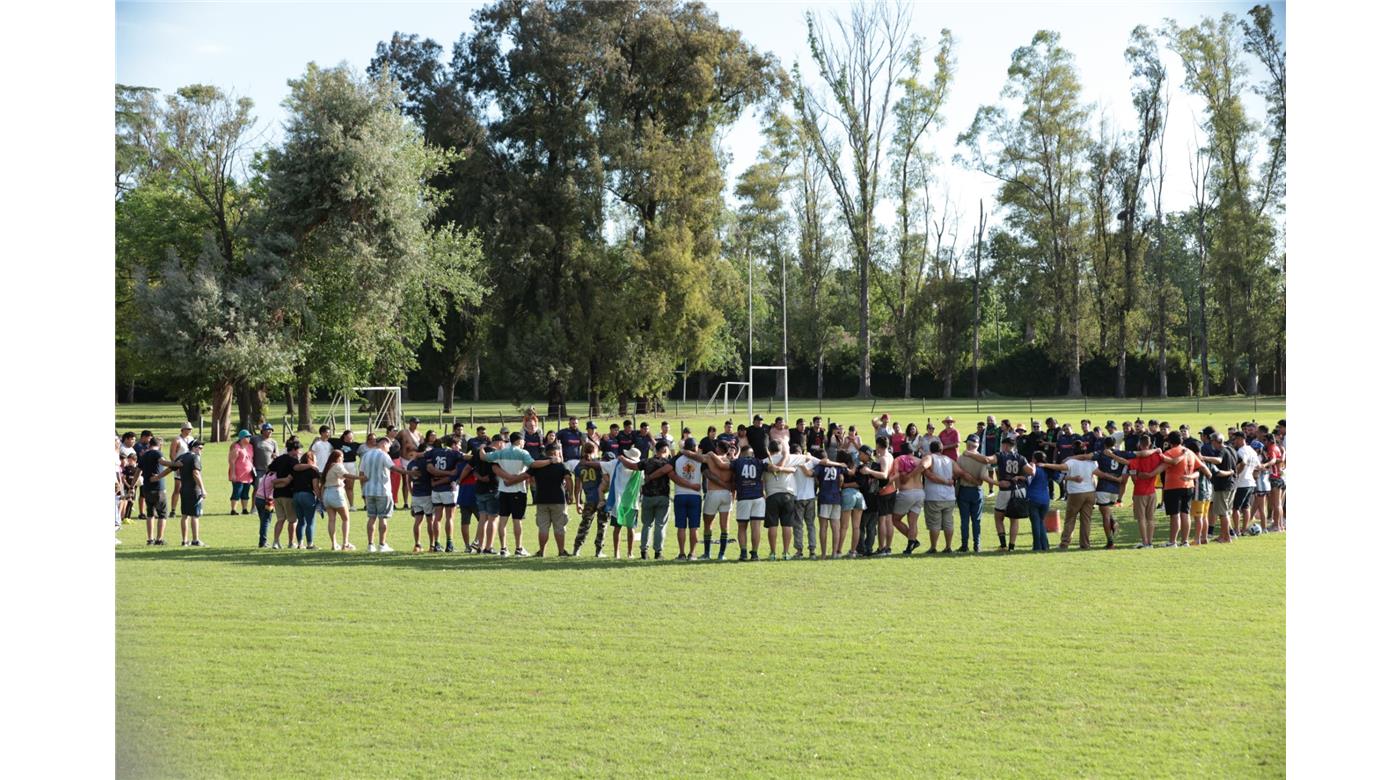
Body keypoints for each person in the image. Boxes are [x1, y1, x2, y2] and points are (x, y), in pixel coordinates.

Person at [501, 442, 575, 556]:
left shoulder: (538, 465)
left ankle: (542, 551)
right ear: (556, 452)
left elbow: (525, 476)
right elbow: (568, 479)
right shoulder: (561, 465)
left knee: (543, 528)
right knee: (559, 527)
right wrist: (571, 495)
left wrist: (511, 482)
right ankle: (561, 551)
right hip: (558, 500)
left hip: (541, 499)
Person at [1037, 443, 1098, 550]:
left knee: (1070, 518)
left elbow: (1060, 467)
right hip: (1090, 492)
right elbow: (1096, 475)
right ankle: (1085, 544)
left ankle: (1065, 543)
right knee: (1086, 520)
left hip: (1076, 493)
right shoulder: (1092, 462)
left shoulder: (1071, 462)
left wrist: (1045, 465)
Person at [484, 432, 534, 557]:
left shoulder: (501, 452)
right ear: (519, 441)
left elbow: (486, 457)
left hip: (503, 490)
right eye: (523, 441)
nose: (524, 443)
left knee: (503, 520)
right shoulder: (523, 453)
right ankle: (518, 548)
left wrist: (481, 449)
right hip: (518, 490)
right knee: (517, 520)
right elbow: (532, 465)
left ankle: (503, 548)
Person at [921, 441, 971, 554]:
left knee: (934, 523)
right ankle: (948, 547)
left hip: (933, 495)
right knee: (948, 523)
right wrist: (952, 477)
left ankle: (933, 547)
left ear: (931, 449)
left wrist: (926, 472)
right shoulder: (949, 460)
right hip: (949, 496)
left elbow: (924, 466)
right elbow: (960, 472)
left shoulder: (930, 457)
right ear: (941, 449)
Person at [358, 434, 405, 552]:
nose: (390, 448)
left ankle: (370, 545)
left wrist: (363, 489)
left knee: (371, 517)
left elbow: (361, 474)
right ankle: (382, 544)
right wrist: (407, 472)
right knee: (383, 518)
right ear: (384, 444)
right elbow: (393, 468)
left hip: (369, 490)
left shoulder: (366, 455)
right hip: (383, 491)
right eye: (389, 446)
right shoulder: (384, 455)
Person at [159, 439, 207, 547]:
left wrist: (158, 477)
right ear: (193, 447)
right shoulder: (195, 457)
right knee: (195, 516)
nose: (201, 451)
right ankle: (195, 540)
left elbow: (170, 469)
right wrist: (203, 489)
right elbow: (196, 473)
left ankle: (184, 541)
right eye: (199, 448)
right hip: (194, 490)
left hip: (184, 489)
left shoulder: (182, 457)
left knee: (185, 515)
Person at [759, 440, 800, 560]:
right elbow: (794, 469)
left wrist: (763, 493)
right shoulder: (787, 459)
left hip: (772, 495)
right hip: (788, 494)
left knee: (772, 525)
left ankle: (772, 553)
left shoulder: (764, 462)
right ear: (780, 449)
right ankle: (786, 553)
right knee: (787, 525)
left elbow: (761, 481)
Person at [955, 435, 996, 552]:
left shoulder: (961, 458)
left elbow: (957, 474)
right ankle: (977, 545)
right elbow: (982, 478)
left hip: (963, 490)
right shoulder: (982, 459)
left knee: (964, 521)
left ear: (968, 444)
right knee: (976, 520)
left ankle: (964, 545)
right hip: (977, 491)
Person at [1160, 432, 1200, 547]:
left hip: (1173, 485)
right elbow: (1199, 467)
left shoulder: (1169, 452)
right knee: (1185, 513)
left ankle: (1173, 541)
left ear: (1170, 441)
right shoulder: (1190, 452)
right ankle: (1185, 541)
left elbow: (1164, 465)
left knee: (1174, 514)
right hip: (1188, 485)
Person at [570, 441, 610, 557]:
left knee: (585, 524)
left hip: (589, 500)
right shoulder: (598, 464)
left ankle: (576, 549)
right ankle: (598, 551)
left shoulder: (578, 467)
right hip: (602, 499)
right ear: (594, 451)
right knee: (602, 525)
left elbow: (578, 487)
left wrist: (577, 502)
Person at [698, 442, 737, 560]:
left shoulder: (710, 458)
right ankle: (721, 555)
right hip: (727, 494)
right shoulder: (731, 461)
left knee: (708, 524)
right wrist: (733, 496)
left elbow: (698, 458)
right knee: (725, 526)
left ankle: (707, 554)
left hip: (713, 493)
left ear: (718, 449)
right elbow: (734, 481)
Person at [993, 437, 1029, 552]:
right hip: (1019, 490)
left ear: (1005, 445)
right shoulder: (1021, 458)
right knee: (1014, 519)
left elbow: (988, 460)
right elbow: (1031, 472)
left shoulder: (1001, 455)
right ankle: (1012, 547)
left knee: (998, 517)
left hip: (1005, 489)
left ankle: (1003, 545)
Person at [671, 440, 704, 560]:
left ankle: (681, 553)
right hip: (695, 495)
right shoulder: (699, 460)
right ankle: (692, 553)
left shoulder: (677, 459)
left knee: (681, 526)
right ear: (694, 447)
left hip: (680, 494)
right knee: (694, 527)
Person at [889, 444, 924, 555]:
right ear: (912, 451)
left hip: (906, 493)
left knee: (895, 519)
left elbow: (896, 475)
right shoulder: (919, 461)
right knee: (913, 522)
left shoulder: (899, 459)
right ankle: (911, 544)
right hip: (920, 492)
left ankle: (913, 541)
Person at [137, 436, 172, 545]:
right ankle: (159, 539)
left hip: (146, 488)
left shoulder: (144, 455)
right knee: (162, 514)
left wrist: (132, 486)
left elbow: (138, 471)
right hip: (158, 488)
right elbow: (163, 462)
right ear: (160, 445)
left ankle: (150, 539)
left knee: (150, 514)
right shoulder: (158, 453)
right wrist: (176, 464)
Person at [285, 448, 320, 549]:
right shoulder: (313, 470)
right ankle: (310, 544)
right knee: (310, 521)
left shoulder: (296, 470)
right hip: (307, 495)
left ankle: (300, 543)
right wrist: (320, 497)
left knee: (300, 521)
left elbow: (289, 479)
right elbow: (315, 486)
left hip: (296, 495)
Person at [320, 449, 354, 551]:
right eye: (342, 457)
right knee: (345, 519)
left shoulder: (327, 467)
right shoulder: (337, 466)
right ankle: (345, 543)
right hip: (336, 492)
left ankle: (334, 544)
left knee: (331, 520)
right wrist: (359, 477)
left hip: (327, 494)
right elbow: (346, 475)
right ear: (339, 457)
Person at [404, 443, 435, 553]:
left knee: (418, 520)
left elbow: (408, 481)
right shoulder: (427, 463)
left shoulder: (411, 463)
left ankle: (417, 544)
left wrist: (412, 493)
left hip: (416, 495)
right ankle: (432, 545)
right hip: (427, 494)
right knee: (430, 520)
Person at [1231, 431, 1260, 537]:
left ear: (1240, 439)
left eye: (1235, 439)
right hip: (1251, 482)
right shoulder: (1252, 450)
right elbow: (1258, 466)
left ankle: (1237, 530)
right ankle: (1244, 529)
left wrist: (1236, 474)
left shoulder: (1241, 451)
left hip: (1242, 482)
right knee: (1246, 507)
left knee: (1236, 508)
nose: (1234, 442)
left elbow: (1242, 463)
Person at [1023, 452, 1052, 552]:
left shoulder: (1033, 469)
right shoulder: (1048, 470)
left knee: (1035, 523)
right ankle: (1045, 545)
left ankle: (1037, 546)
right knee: (1041, 522)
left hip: (1033, 498)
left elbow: (1028, 479)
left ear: (1035, 459)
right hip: (1045, 499)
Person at [169, 422, 193, 519]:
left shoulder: (191, 439)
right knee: (177, 489)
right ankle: (173, 510)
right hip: (180, 466)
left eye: (190, 429)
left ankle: (189, 509)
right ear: (182, 430)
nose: (189, 431)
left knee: (190, 489)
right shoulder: (177, 440)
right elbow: (172, 454)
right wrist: (176, 466)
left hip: (190, 466)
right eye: (187, 429)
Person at [228, 429, 254, 515]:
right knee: (237, 491)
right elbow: (231, 461)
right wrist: (233, 474)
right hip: (238, 474)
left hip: (248, 474)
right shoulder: (236, 447)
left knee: (246, 492)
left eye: (249, 436)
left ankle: (245, 509)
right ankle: (233, 510)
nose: (249, 438)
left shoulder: (250, 447)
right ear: (242, 438)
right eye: (247, 437)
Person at [336, 430, 362, 513]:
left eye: (352, 437)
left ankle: (352, 505)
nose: (351, 439)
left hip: (351, 465)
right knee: (340, 486)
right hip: (341, 465)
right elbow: (326, 439)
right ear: (344, 436)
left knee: (350, 487)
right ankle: (341, 505)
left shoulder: (355, 445)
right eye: (349, 437)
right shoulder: (337, 442)